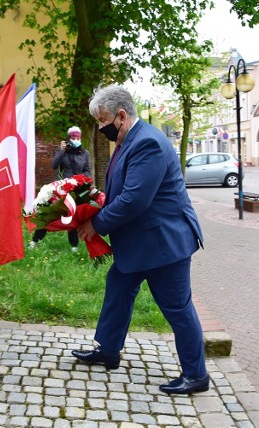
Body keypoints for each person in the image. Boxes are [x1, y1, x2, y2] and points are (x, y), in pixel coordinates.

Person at [74, 85, 208, 395]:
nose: (100, 127)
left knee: (177, 307)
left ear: (121, 116)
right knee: (118, 286)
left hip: (164, 244)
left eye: (102, 120)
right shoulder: (127, 139)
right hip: (140, 241)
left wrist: (96, 224)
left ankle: (196, 375)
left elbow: (134, 200)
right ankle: (108, 351)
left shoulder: (147, 142)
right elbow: (121, 189)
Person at [30, 125, 91, 252]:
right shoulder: (63, 151)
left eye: (77, 137)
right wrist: (60, 151)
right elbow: (54, 165)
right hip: (60, 189)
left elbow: (87, 171)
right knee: (48, 214)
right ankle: (34, 241)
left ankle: (74, 246)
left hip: (76, 189)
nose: (76, 139)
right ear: (68, 139)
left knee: (72, 216)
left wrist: (82, 179)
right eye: (73, 137)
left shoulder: (85, 153)